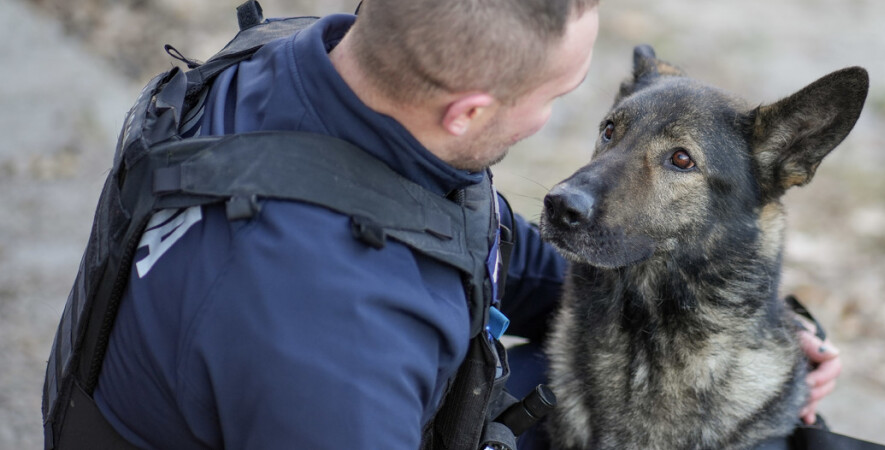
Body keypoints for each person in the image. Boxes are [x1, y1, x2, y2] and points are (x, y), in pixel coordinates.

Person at [87, 0, 841, 448]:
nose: (556, 126)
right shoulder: (335, 352)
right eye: (557, 99)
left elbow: (492, 247)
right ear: (471, 111)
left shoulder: (312, 81)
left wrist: (756, 329)